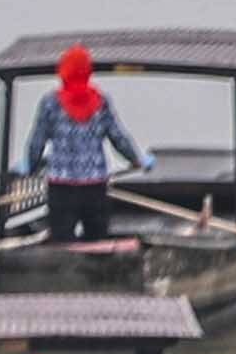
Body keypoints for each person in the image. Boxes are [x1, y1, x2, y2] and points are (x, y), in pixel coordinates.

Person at [23, 42, 146, 246]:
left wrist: (31, 166)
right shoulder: (101, 102)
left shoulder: (50, 103)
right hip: (95, 186)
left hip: (61, 187)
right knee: (97, 243)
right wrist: (135, 160)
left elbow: (37, 142)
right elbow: (118, 137)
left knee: (62, 243)